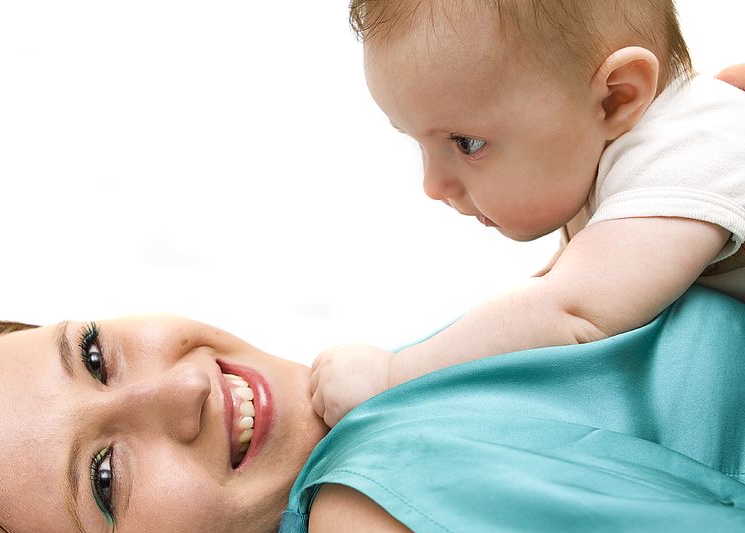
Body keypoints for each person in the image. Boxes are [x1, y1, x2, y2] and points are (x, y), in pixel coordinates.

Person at [0, 284, 745, 533]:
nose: (182, 386)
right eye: (103, 477)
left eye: (93, 354)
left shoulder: (401, 414)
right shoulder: (356, 515)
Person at [310, 0, 745, 427]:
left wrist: (394, 376)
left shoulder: (691, 149)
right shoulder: (606, 159)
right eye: (417, 142)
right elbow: (548, 305)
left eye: (466, 142)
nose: (433, 186)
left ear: (615, 98)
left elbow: (568, 312)